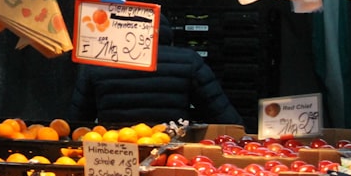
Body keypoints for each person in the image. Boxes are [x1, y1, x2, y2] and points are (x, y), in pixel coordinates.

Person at [70, 19, 243, 126]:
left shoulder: (98, 63)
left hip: (113, 151)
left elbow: (76, 122)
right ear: (167, 33)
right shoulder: (188, 61)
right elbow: (225, 119)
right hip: (170, 152)